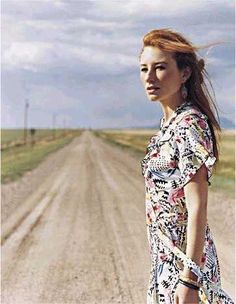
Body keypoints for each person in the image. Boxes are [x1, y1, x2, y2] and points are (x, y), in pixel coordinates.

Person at [139, 28, 234, 304]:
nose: (149, 77)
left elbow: (197, 208)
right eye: (144, 68)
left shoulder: (190, 125)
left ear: (184, 73)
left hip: (185, 264)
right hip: (165, 258)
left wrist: (189, 279)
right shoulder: (167, 126)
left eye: (160, 68)